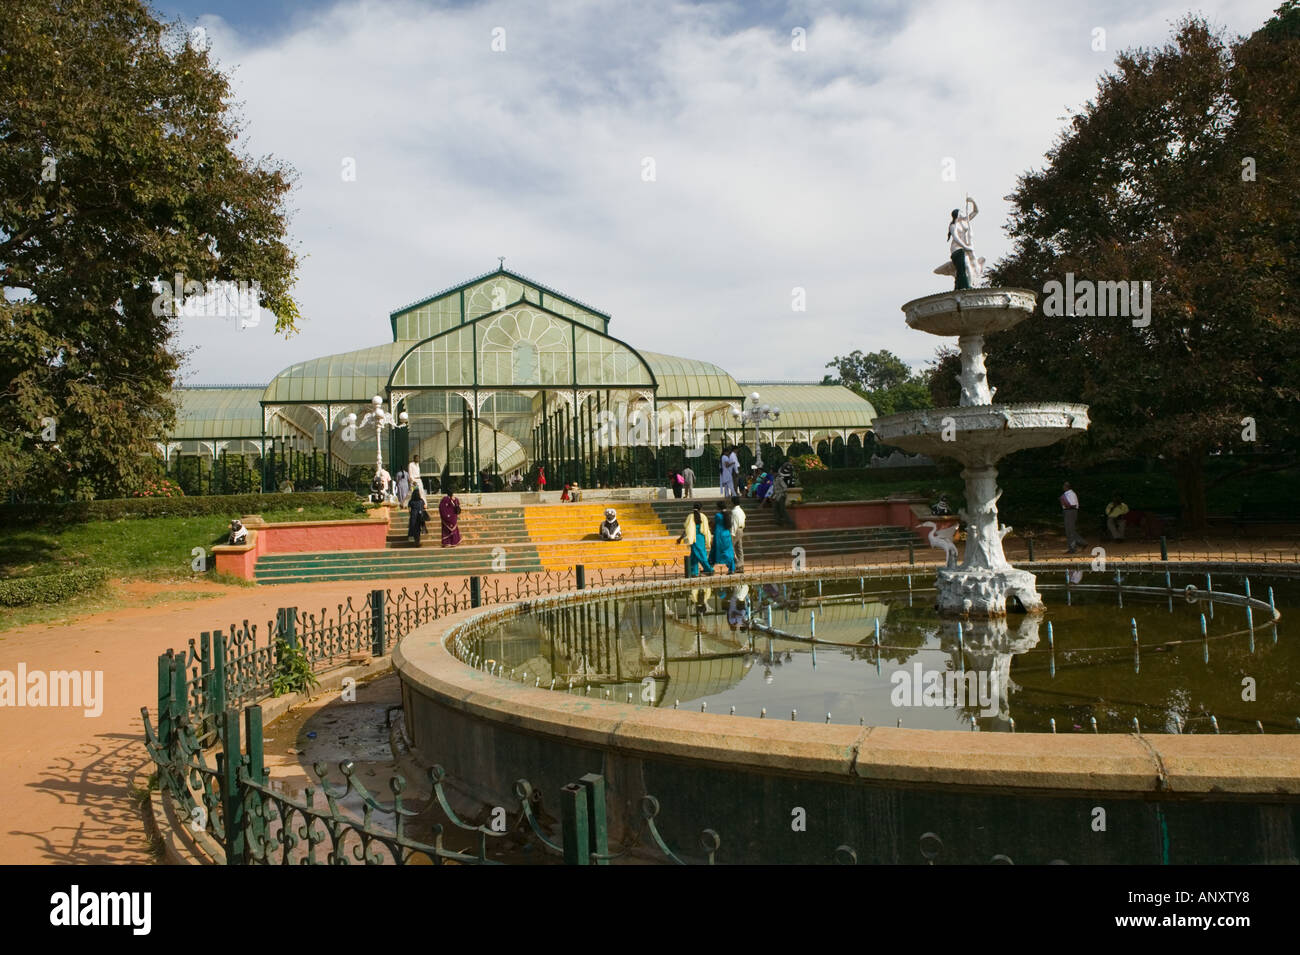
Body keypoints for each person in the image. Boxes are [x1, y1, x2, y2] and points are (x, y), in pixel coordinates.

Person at [676, 503, 713, 577]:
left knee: (700, 555)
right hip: (701, 538)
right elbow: (706, 530)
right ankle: (694, 572)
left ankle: (709, 570)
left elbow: (686, 529)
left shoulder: (690, 517)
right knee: (696, 555)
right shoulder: (703, 516)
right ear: (701, 509)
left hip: (693, 538)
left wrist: (681, 538)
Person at [1060, 481, 1085, 554]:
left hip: (1070, 511)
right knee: (1070, 530)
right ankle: (1081, 543)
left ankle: (1073, 548)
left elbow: (1073, 504)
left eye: (1064, 485)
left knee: (1070, 531)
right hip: (1068, 511)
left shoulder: (1071, 494)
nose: (1063, 487)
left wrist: (1064, 502)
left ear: (1067, 486)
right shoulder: (1068, 494)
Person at [709, 506, 736, 574]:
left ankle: (709, 568)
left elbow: (715, 524)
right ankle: (732, 569)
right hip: (727, 535)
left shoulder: (718, 515)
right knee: (728, 551)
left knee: (714, 551)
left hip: (719, 536)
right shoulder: (728, 515)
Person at [729, 496, 746, 570]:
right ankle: (741, 564)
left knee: (730, 547)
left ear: (732, 502)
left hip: (736, 530)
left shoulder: (734, 511)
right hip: (741, 529)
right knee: (739, 548)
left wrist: (732, 533)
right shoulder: (741, 510)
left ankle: (736, 563)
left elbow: (734, 523)